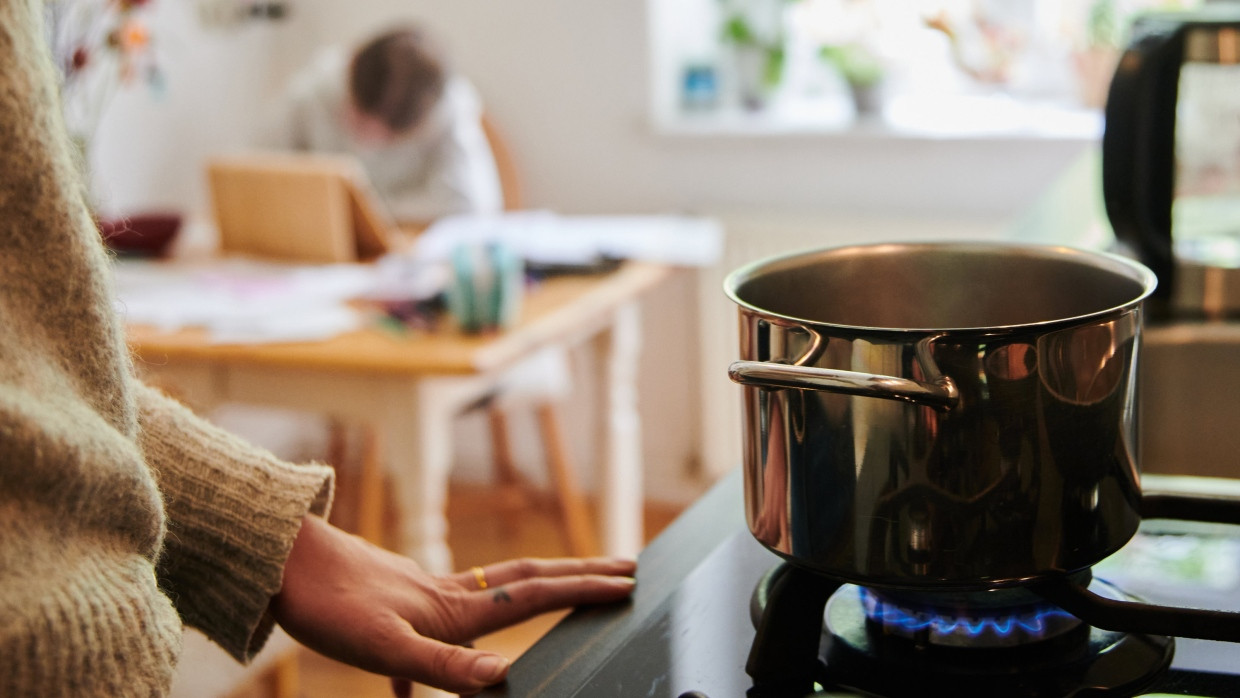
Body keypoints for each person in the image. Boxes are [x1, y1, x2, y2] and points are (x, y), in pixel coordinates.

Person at [0, 2, 636, 696]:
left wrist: (277, 535)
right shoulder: (316, 88)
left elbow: (49, 371)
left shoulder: (453, 111)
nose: (364, 133)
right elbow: (253, 174)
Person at [265, 25, 504, 225]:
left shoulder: (450, 108)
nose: (367, 138)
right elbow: (254, 168)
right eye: (358, 116)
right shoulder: (317, 85)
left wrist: (371, 211)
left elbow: (476, 207)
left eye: (386, 134)